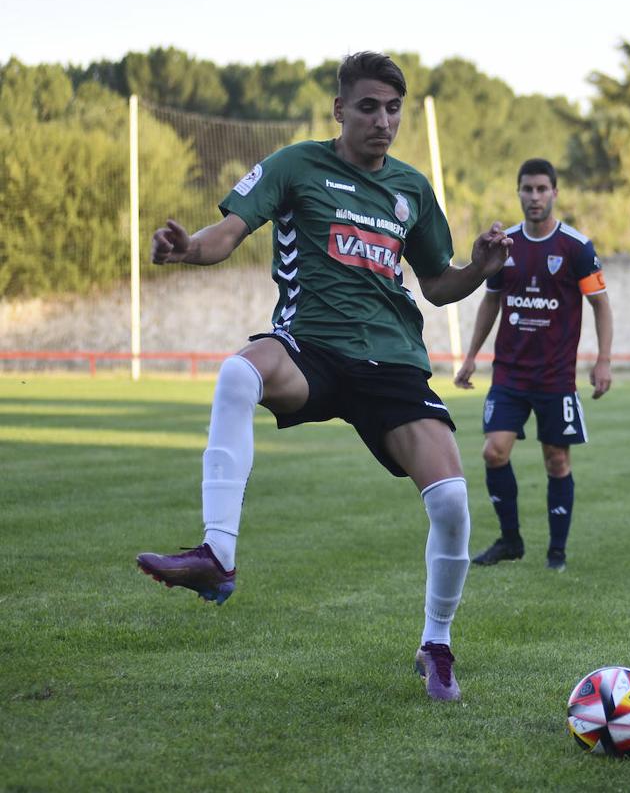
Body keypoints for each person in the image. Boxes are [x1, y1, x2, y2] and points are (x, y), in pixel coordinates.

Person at [135, 51, 513, 702]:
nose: (383, 120)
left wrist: (479, 268)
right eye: (369, 106)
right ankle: (217, 555)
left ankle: (437, 644)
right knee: (236, 373)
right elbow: (227, 234)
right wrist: (186, 249)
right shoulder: (295, 166)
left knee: (451, 502)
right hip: (311, 349)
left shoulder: (412, 191)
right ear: (340, 109)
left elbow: (440, 285)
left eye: (393, 108)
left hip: (393, 362)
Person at [453, 159, 613, 571]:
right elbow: (491, 301)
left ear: (555, 193)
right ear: (518, 192)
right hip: (509, 373)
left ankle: (556, 551)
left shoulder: (577, 247)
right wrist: (471, 356)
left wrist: (603, 361)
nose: (535, 197)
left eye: (542, 189)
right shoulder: (503, 244)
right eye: (527, 189)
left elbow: (601, 304)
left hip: (556, 377)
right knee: (493, 451)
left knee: (557, 460)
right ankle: (511, 541)